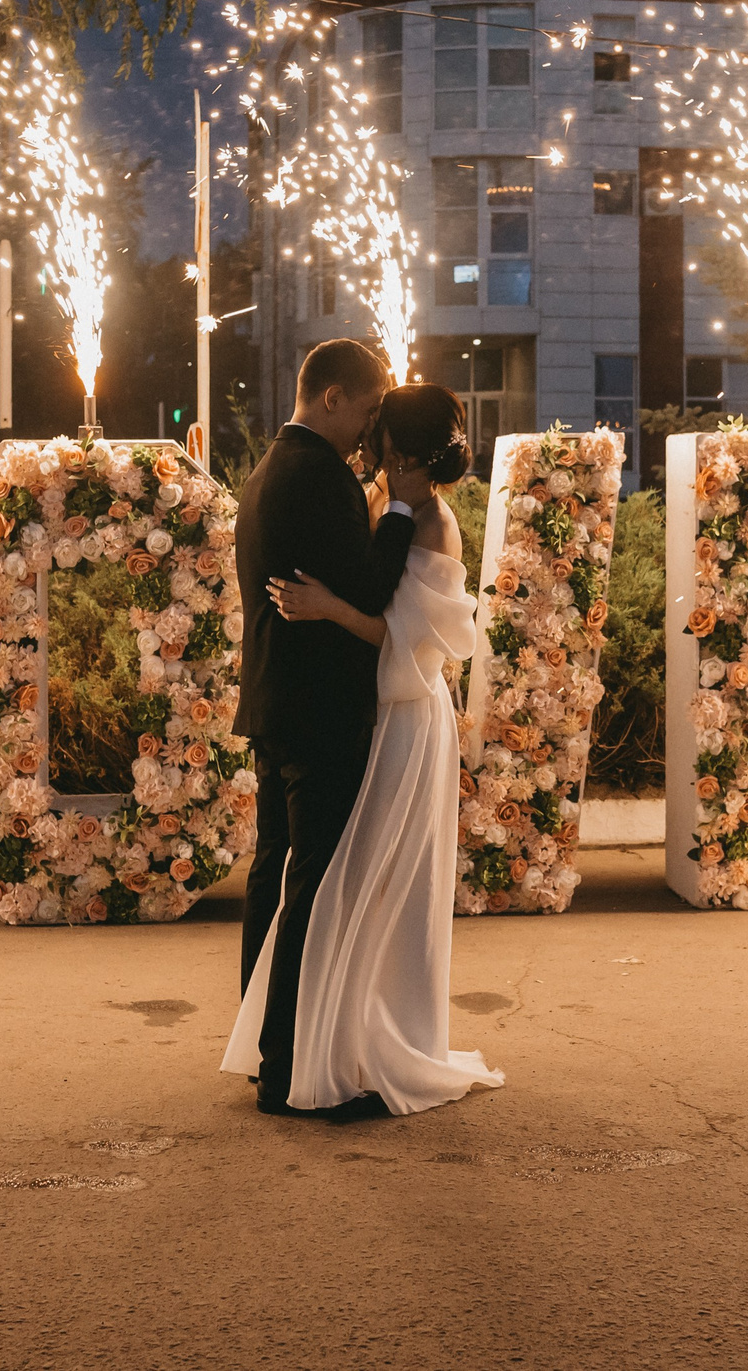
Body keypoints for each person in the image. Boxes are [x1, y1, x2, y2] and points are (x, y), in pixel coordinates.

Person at [221, 381, 504, 1120]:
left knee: (376, 883)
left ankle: (357, 1042)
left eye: (378, 430)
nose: (365, 439)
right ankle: (320, 1044)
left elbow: (411, 636)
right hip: (372, 715)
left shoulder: (435, 523)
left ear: (398, 447)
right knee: (346, 882)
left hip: (408, 718)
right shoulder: (384, 508)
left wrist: (329, 608)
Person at [230, 341, 435, 1119]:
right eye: (368, 408)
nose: (371, 427)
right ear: (332, 398)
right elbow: (374, 586)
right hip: (318, 709)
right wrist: (405, 507)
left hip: (275, 703)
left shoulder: (269, 469)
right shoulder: (320, 477)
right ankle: (290, 1069)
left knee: (273, 876)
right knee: (313, 884)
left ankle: (262, 1047)